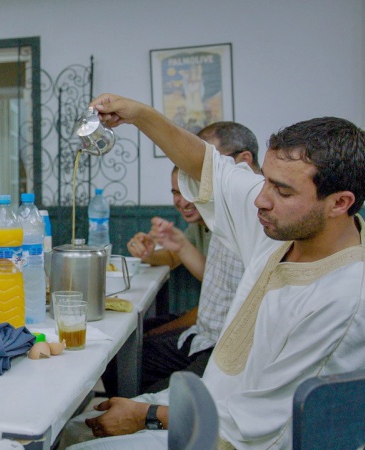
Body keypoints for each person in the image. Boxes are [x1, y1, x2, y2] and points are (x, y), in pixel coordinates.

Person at [72, 94, 365, 449]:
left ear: (339, 203)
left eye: (281, 190)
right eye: (266, 181)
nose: (260, 199)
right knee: (73, 428)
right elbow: (206, 166)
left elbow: (259, 428)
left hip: (234, 439)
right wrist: (140, 115)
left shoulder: (344, 301)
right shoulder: (285, 225)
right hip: (213, 404)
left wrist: (146, 416)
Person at [140, 121, 260, 393]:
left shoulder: (257, 214)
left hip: (226, 347)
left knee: (145, 377)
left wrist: (137, 114)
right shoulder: (215, 209)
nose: (189, 193)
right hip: (204, 334)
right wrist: (171, 248)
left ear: (244, 161)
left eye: (204, 168)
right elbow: (214, 281)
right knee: (131, 358)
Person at [127, 166, 209, 281]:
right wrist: (148, 253)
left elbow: (219, 280)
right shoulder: (197, 226)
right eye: (176, 193)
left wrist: (181, 246)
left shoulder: (225, 225)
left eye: (191, 191)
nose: (184, 203)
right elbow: (172, 258)